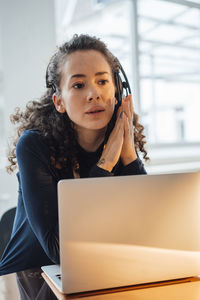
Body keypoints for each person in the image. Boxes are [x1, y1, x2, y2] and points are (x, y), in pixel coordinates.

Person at [0, 34, 148, 276]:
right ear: (59, 102)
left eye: (102, 81)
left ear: (118, 91)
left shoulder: (121, 146)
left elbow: (150, 229)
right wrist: (105, 165)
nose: (94, 94)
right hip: (34, 277)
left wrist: (129, 157)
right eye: (79, 85)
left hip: (95, 272)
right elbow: (59, 251)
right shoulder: (34, 145)